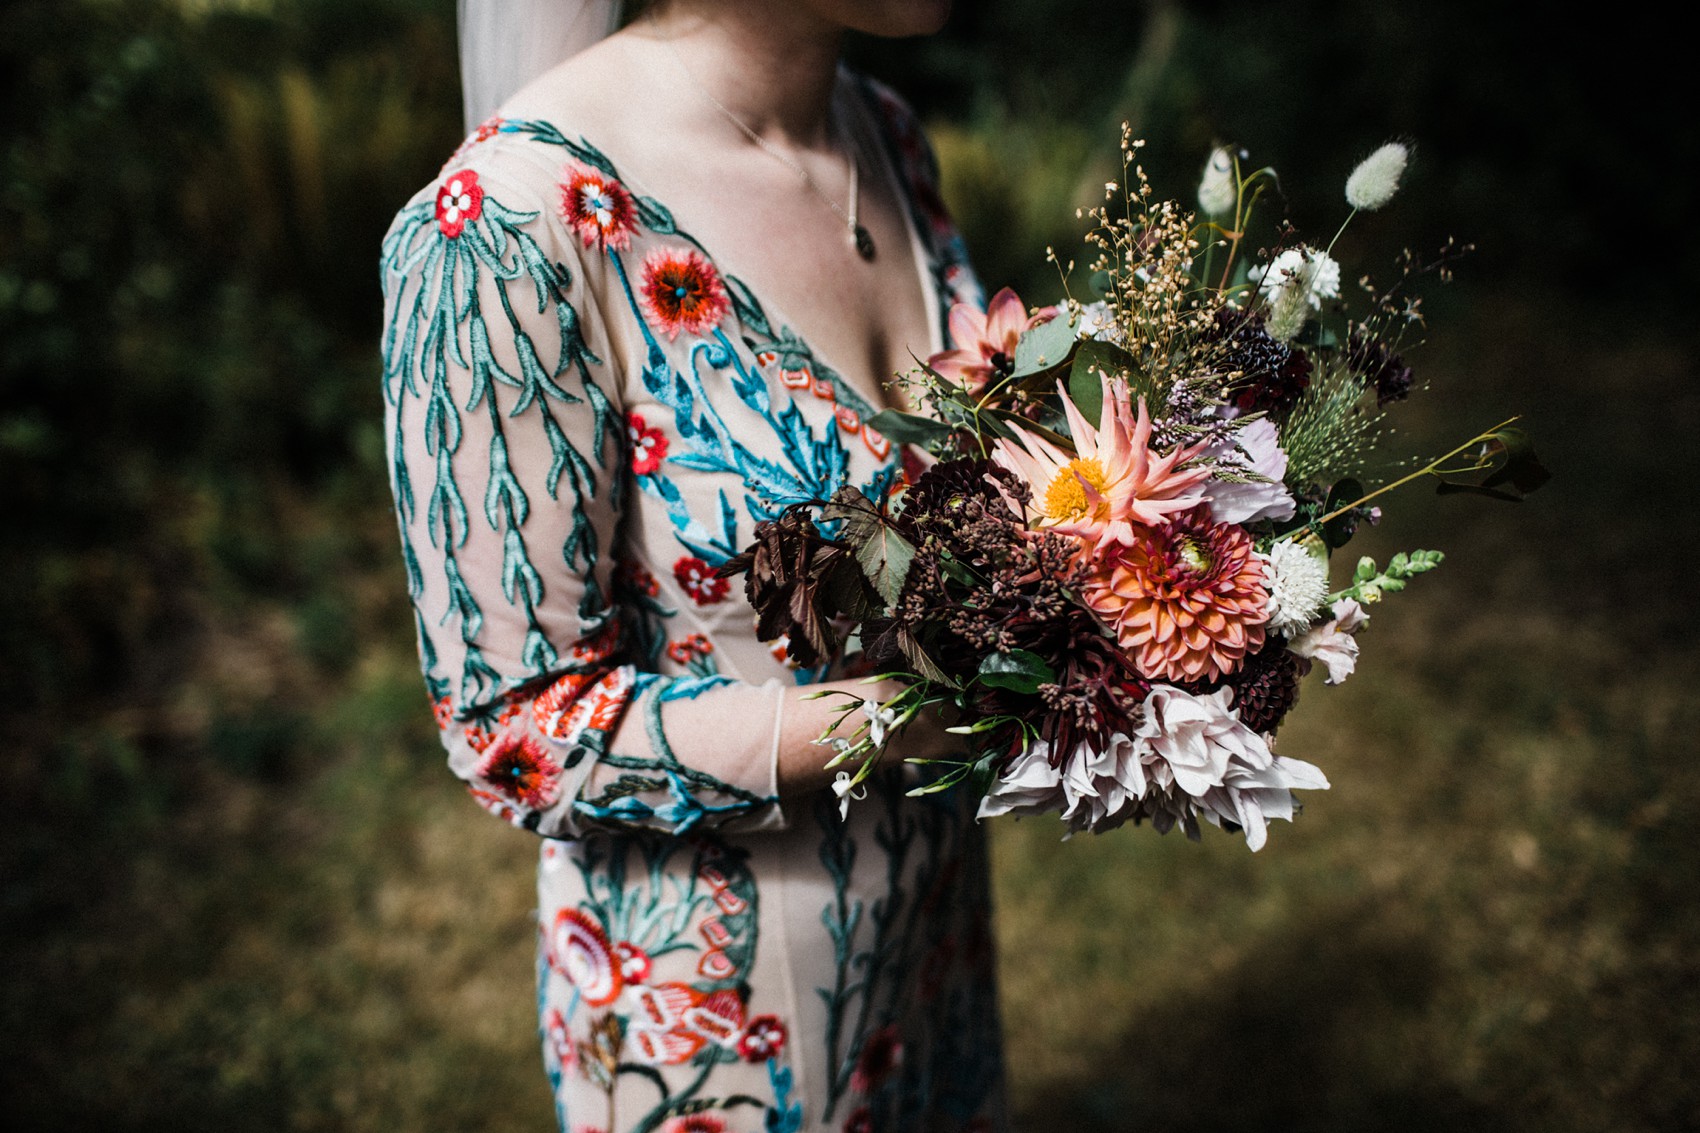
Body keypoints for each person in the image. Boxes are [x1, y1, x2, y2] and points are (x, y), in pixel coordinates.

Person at [379, 1, 1004, 1129]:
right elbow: (514, 730)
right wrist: (891, 717)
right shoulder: (507, 223)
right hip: (719, 1016)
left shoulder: (884, 135)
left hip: (933, 927)